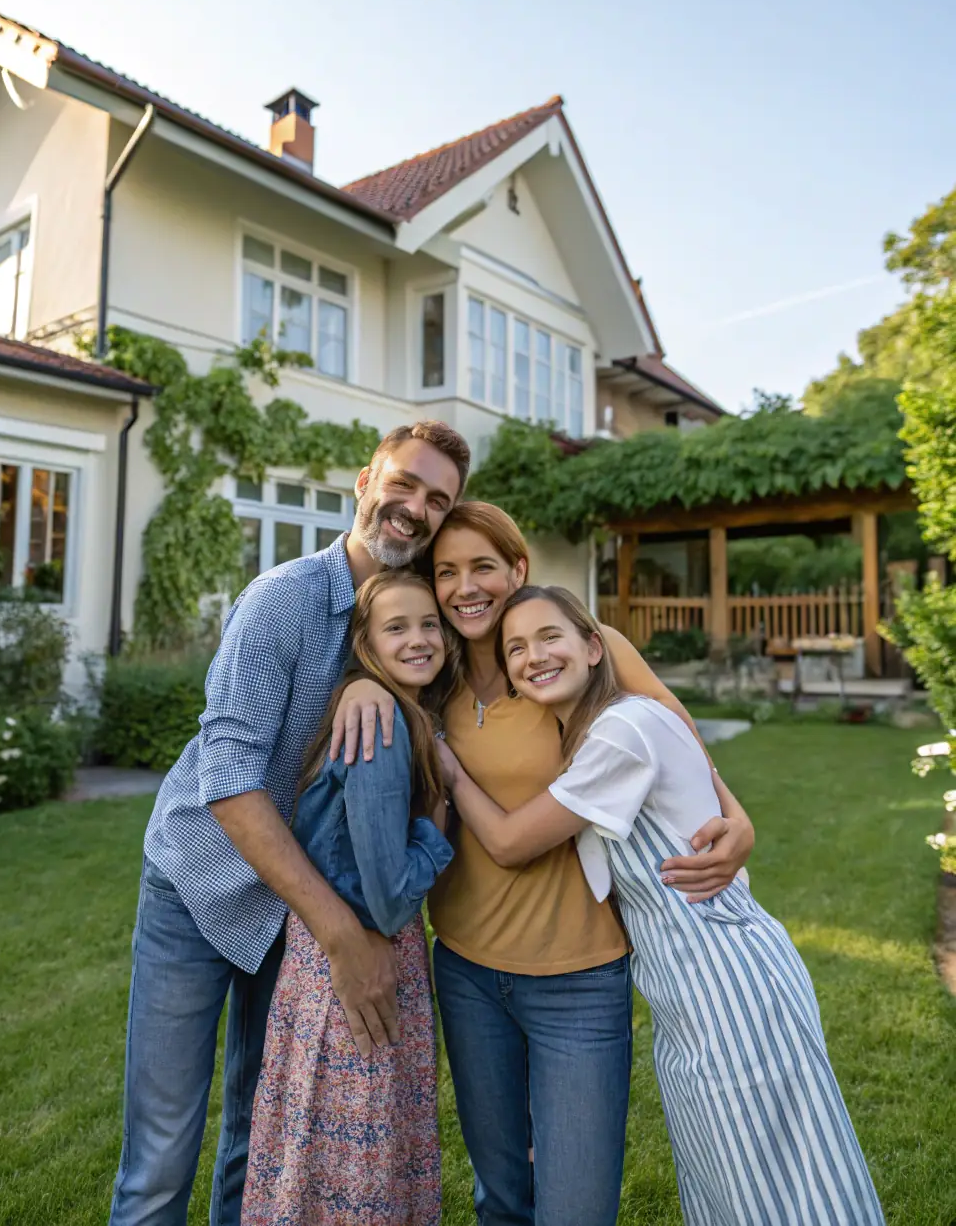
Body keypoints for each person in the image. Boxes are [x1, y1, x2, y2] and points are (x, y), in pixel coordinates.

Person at [331, 502, 755, 1226]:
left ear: (517, 570)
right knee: (500, 1198)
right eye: (447, 572)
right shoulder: (434, 679)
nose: (466, 587)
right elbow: (383, 659)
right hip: (466, 971)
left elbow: (676, 733)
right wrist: (363, 683)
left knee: (577, 1209)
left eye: (484, 567)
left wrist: (736, 815)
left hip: (580, 980)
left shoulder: (581, 652)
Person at [108, 420, 470, 1226]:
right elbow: (228, 778)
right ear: (364, 483)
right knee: (162, 1153)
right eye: (403, 483)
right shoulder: (284, 599)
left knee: (259, 1131)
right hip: (200, 884)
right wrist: (342, 931)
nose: (414, 508)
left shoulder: (420, 627)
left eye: (437, 500)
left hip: (293, 911)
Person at [443, 585, 885, 1226]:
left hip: (731, 988)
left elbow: (511, 844)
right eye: (515, 648)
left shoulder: (625, 731)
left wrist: (451, 769)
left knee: (784, 1191)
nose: (533, 656)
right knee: (724, 1189)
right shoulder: (596, 736)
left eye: (549, 638)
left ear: (595, 648)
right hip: (684, 996)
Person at [242, 571, 456, 1226]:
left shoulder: (391, 708)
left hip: (320, 957)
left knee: (318, 1152)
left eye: (429, 624)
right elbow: (390, 899)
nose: (419, 638)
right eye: (397, 626)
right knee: (352, 1161)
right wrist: (439, 819)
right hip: (359, 959)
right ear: (364, 643)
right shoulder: (382, 722)